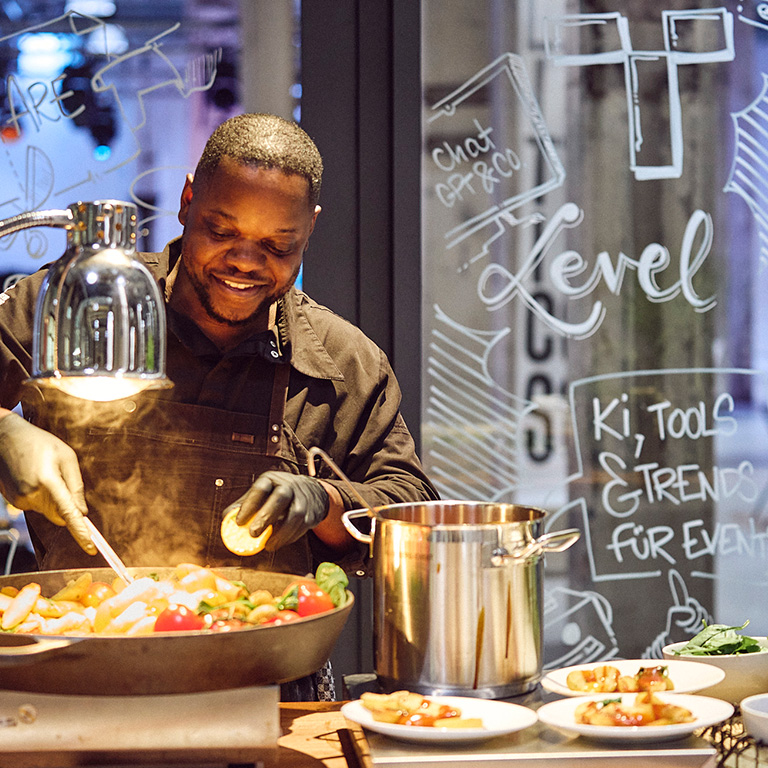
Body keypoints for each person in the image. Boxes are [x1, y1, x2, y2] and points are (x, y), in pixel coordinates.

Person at [0, 113, 439, 696]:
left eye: (278, 245)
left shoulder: (342, 362)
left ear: (309, 229)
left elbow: (412, 512)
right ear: (186, 202)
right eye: (221, 230)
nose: (245, 261)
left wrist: (326, 501)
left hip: (271, 687)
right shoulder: (80, 304)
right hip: (79, 676)